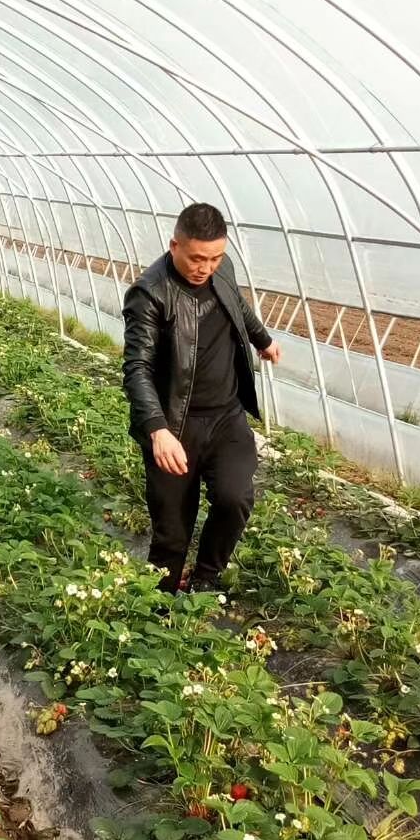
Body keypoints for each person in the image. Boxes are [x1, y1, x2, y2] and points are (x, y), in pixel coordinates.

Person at [121, 202, 281, 594]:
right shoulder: (150, 294)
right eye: (196, 258)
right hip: (176, 426)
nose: (205, 267)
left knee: (234, 498)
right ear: (174, 245)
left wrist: (263, 339)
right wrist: (157, 430)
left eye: (215, 258)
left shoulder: (220, 268)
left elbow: (236, 304)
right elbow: (137, 367)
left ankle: (206, 579)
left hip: (226, 415)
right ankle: (158, 611)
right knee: (172, 535)